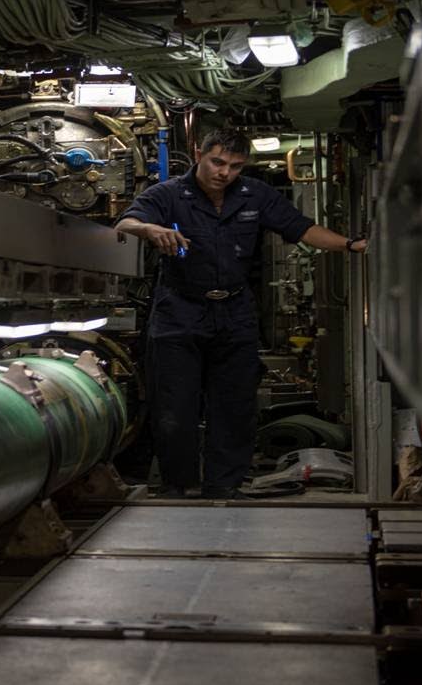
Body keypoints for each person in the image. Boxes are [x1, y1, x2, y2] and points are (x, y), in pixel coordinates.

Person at [114, 129, 366, 499]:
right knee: (174, 408)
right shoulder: (166, 195)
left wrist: (350, 244)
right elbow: (124, 224)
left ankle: (224, 486)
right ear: (199, 154)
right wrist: (149, 228)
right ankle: (178, 486)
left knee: (234, 406)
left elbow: (303, 229)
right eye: (217, 162)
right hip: (180, 312)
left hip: (234, 312)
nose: (224, 173)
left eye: (234, 166)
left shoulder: (255, 194)